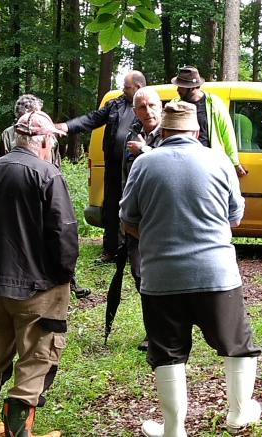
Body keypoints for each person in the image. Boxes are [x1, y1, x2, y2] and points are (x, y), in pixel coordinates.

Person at [120, 101, 262, 436]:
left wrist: (157, 235)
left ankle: (173, 429)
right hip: (217, 273)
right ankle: (239, 414)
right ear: (196, 132)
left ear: (164, 131)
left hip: (161, 277)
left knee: (167, 352)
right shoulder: (219, 160)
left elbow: (127, 220)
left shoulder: (144, 163)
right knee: (237, 343)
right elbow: (235, 217)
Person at [0, 110, 76, 437]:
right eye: (51, 140)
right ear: (42, 140)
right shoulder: (48, 175)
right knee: (36, 358)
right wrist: (64, 275)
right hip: (37, 288)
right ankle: (18, 434)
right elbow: (64, 234)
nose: (52, 145)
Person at [0, 94, 91, 300]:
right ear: (24, 112)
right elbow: (4, 159)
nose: (39, 114)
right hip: (23, 190)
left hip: (49, 184)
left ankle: (68, 282)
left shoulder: (48, 130)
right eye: (35, 111)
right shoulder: (9, 134)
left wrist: (57, 181)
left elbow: (55, 159)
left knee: (58, 231)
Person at [55, 71, 146, 263]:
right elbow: (93, 119)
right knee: (111, 207)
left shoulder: (149, 105)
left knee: (136, 207)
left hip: (136, 167)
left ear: (138, 87)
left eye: (127, 87)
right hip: (113, 165)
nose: (123, 89)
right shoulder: (115, 104)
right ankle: (111, 250)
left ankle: (135, 251)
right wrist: (67, 126)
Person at [119, 86, 164, 351]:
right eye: (142, 107)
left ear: (161, 107)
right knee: (139, 274)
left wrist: (145, 151)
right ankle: (153, 330)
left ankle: (163, 332)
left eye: (152, 106)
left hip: (160, 219)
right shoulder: (131, 134)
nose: (148, 111)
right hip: (136, 219)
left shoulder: (171, 134)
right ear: (135, 110)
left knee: (159, 274)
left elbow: (174, 160)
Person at [170, 66, 247, 177]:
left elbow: (227, 132)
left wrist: (234, 163)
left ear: (192, 88)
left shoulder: (214, 103)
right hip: (182, 163)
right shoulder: (175, 104)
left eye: (181, 87)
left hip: (209, 165)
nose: (177, 90)